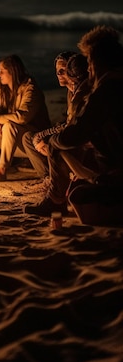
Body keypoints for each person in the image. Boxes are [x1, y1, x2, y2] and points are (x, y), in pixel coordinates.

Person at [25, 25, 123, 224]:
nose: (88, 69)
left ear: (98, 62)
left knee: (58, 145)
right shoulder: (114, 83)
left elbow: (77, 131)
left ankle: (55, 200)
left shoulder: (106, 91)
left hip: (115, 165)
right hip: (113, 157)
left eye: (90, 62)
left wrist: (53, 140)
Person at [0, 54, 51, 182]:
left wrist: (0, 121)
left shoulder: (31, 89)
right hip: (7, 139)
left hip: (31, 143)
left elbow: (22, 118)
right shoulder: (1, 89)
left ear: (12, 71)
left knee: (9, 126)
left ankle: (1, 171)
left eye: (2, 71)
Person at [22, 52, 89, 183]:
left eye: (63, 70)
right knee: (29, 138)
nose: (59, 74)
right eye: (57, 71)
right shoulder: (70, 92)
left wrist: (44, 136)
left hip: (78, 140)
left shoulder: (83, 92)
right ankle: (49, 178)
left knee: (49, 142)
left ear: (72, 71)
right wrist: (42, 135)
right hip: (70, 133)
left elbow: (72, 124)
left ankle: (57, 183)